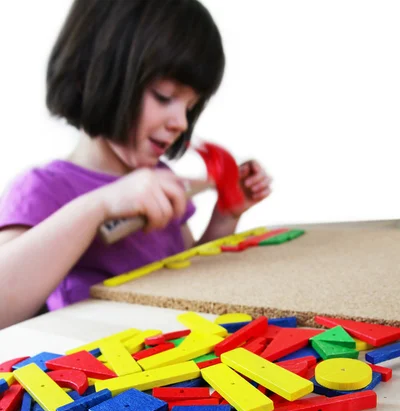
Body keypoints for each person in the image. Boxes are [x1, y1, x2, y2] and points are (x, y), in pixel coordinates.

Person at [0, 0, 272, 329]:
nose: (181, 122)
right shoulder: (43, 189)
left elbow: (189, 270)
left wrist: (225, 216)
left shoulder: (160, 178)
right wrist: (100, 205)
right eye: (164, 96)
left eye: (191, 106)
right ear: (93, 77)